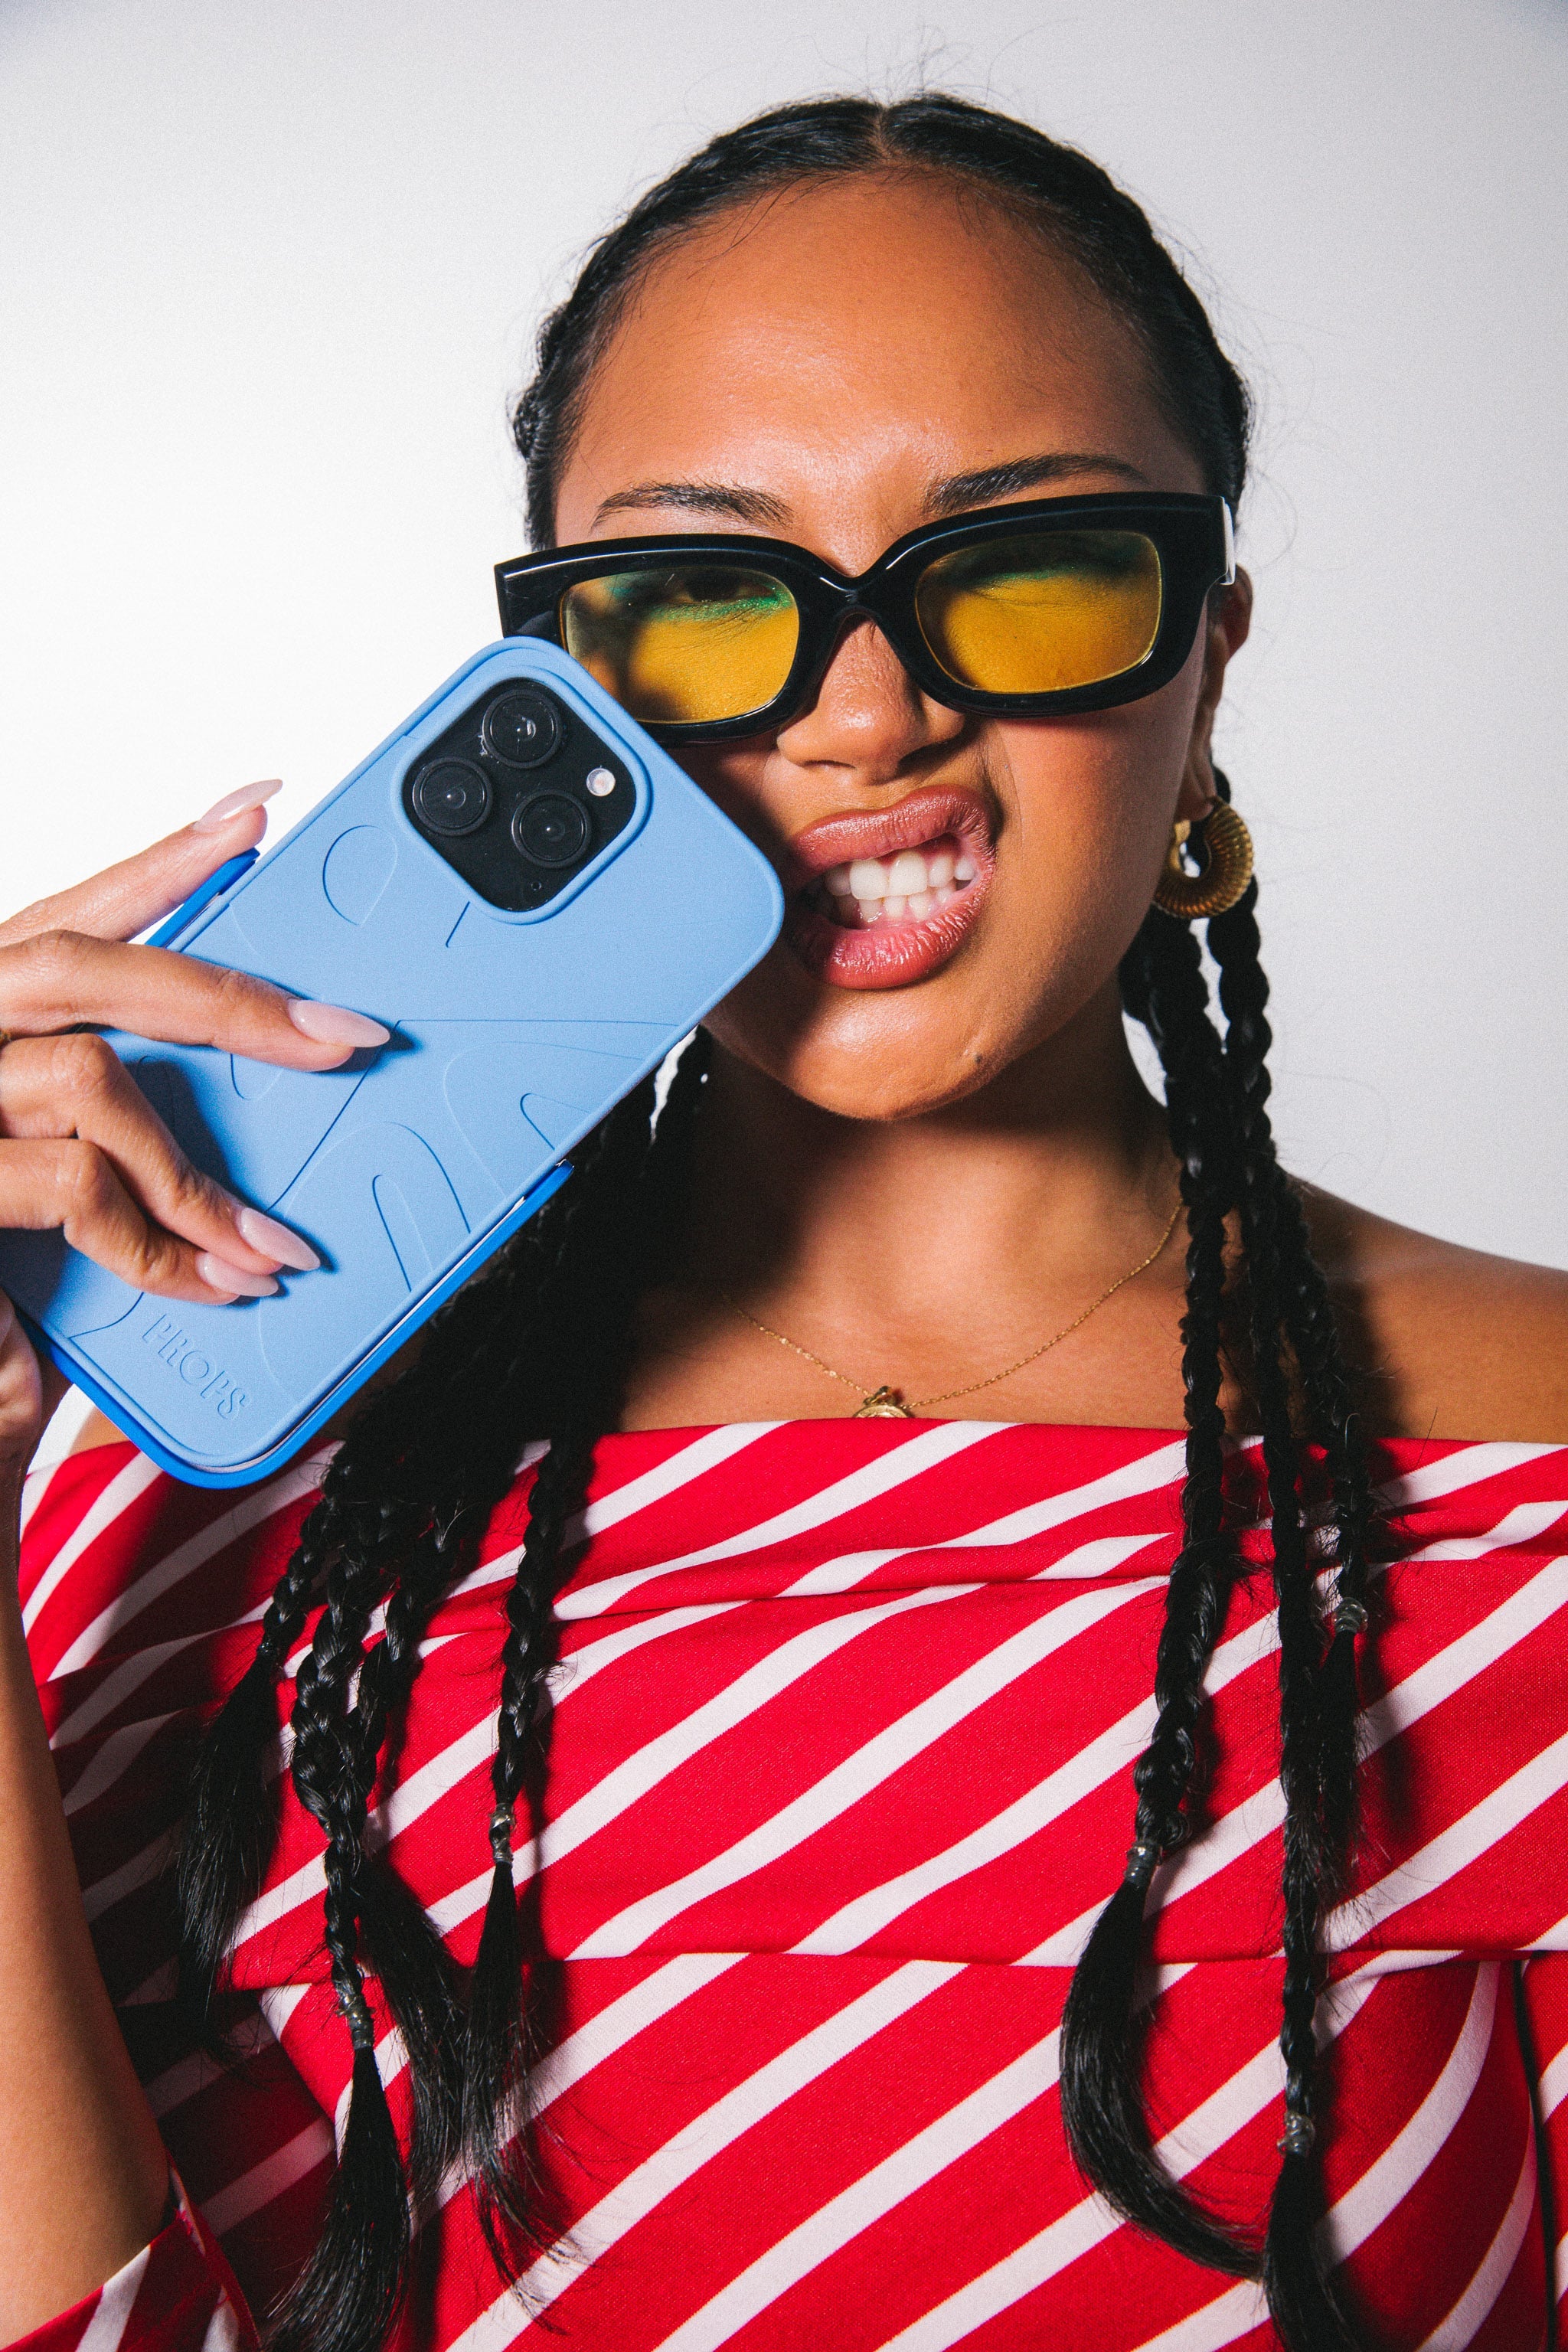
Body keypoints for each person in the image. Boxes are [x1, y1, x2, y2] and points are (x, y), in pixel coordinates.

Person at [2, 91, 1566, 2352]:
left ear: (1207, 648)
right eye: (702, 598)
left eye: (1024, 569)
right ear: (560, 672)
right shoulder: (173, 1506)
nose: (863, 710)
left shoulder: (1529, 1484)